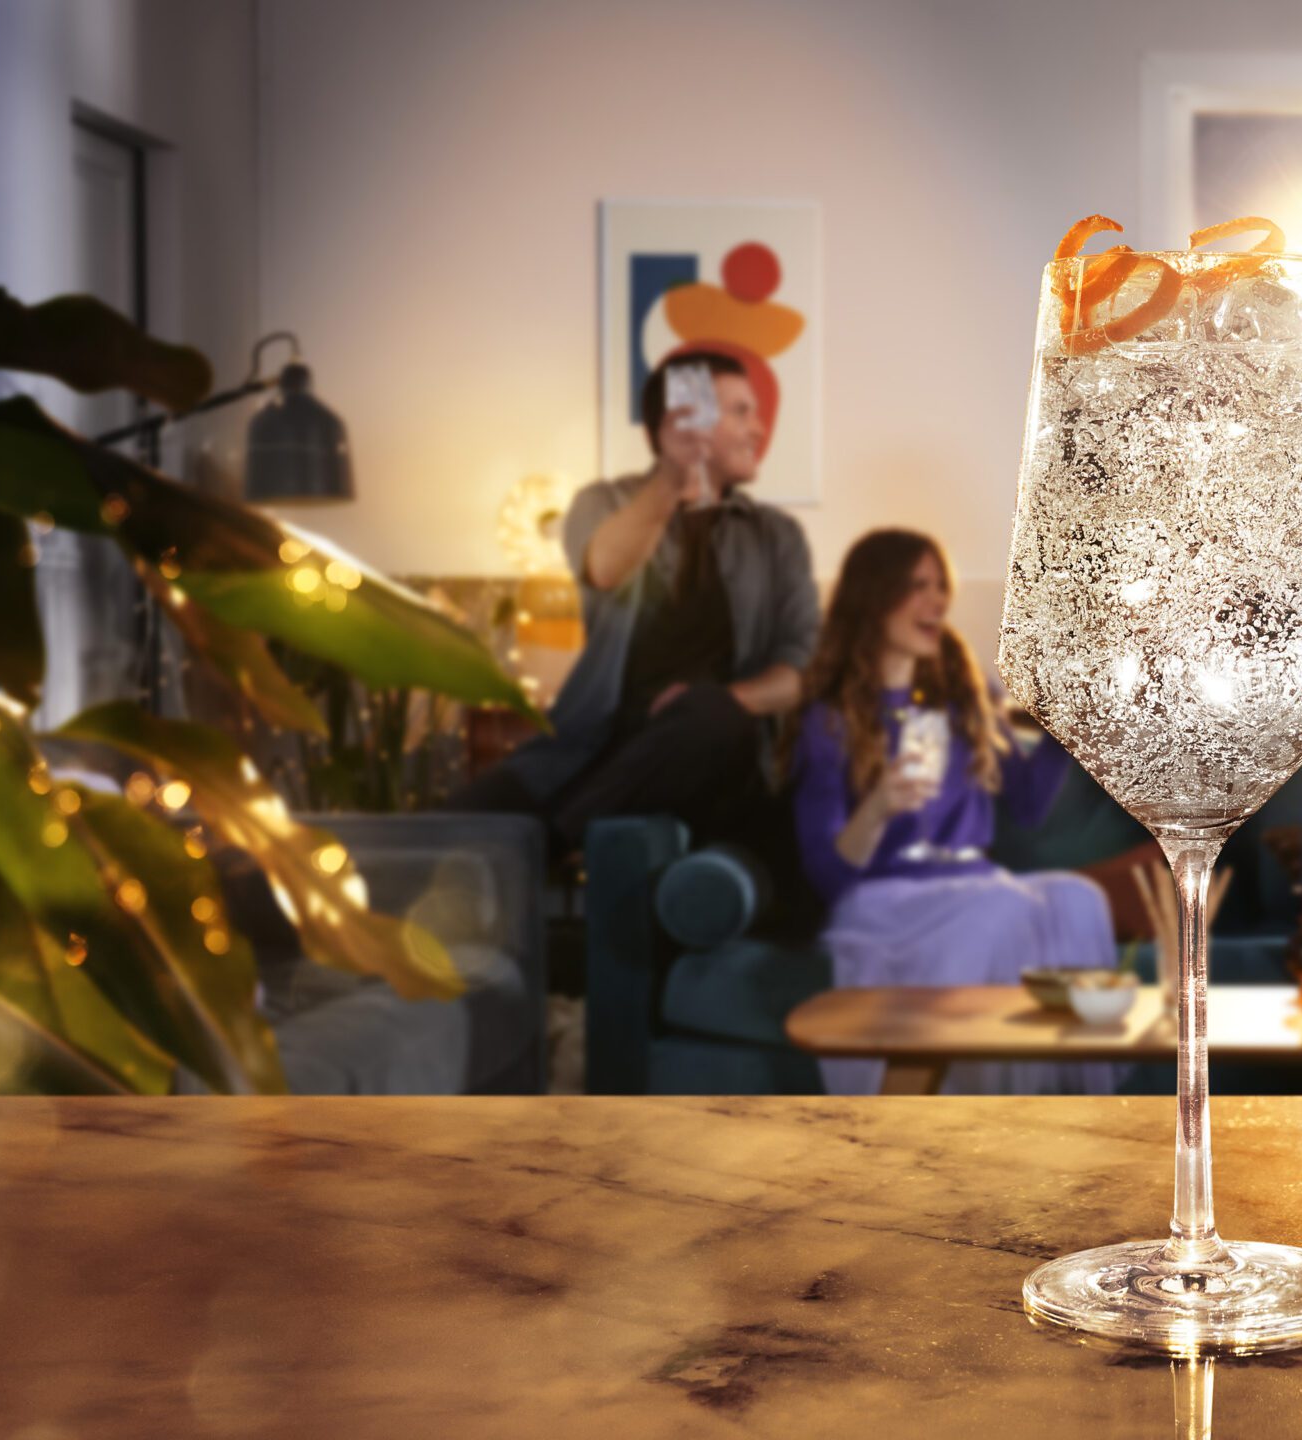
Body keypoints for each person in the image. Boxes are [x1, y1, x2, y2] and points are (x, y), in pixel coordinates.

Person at [454, 352, 820, 930]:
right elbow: (604, 569)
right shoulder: (603, 505)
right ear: (681, 421)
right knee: (452, 825)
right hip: (599, 743)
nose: (759, 426)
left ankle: (546, 839)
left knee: (709, 711)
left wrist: (728, 702)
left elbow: (803, 671)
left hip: (722, 750)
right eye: (741, 411)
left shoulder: (776, 538)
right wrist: (674, 479)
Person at [787, 528, 1118, 1096]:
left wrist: (1069, 721)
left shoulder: (963, 692)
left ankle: (1074, 1117)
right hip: (885, 901)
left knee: (1077, 899)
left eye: (941, 585)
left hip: (973, 885)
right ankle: (935, 1099)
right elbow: (828, 875)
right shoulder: (832, 720)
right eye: (917, 586)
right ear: (874, 598)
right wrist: (880, 806)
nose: (937, 600)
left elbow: (1029, 805)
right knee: (999, 909)